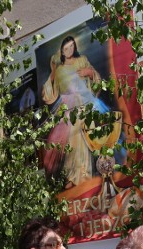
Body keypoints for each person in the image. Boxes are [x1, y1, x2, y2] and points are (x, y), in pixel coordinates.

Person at [41, 35, 116, 188]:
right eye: (66, 47)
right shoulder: (60, 69)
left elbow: (96, 80)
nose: (69, 50)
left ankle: (84, 176)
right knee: (71, 141)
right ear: (62, 50)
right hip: (68, 109)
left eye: (72, 47)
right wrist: (53, 72)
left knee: (84, 139)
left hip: (85, 106)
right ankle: (71, 177)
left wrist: (89, 72)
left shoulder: (82, 60)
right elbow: (48, 94)